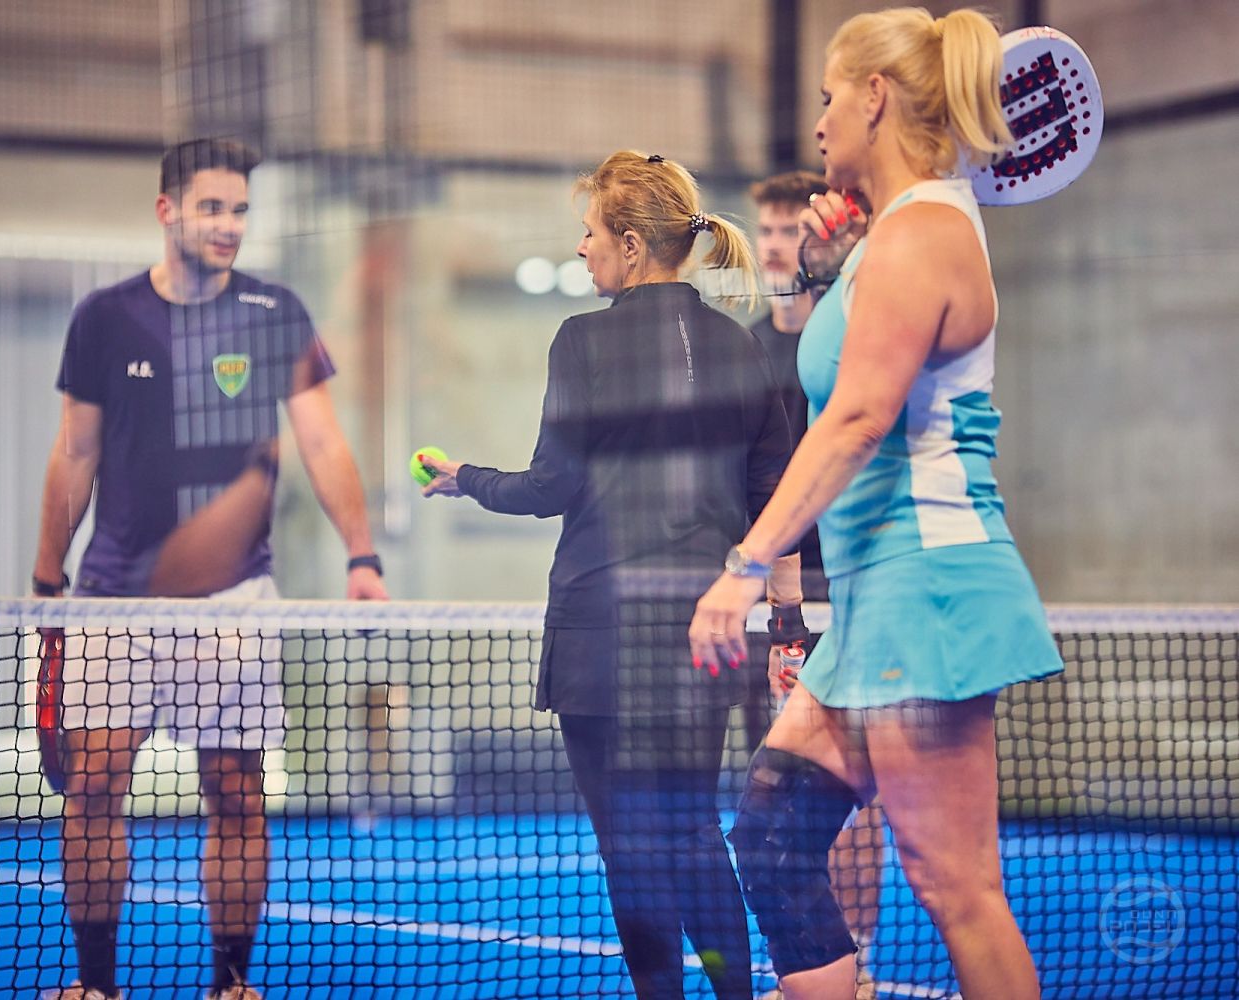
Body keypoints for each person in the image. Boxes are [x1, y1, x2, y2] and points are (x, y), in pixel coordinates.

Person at [690, 9, 1063, 1000]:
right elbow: (838, 380)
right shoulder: (884, 237)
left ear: (874, 97)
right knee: (773, 838)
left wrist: (746, 566)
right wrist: (827, 270)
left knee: (957, 888)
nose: (817, 122)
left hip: (927, 589)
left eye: (828, 97)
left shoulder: (924, 232)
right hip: (874, 603)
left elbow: (857, 420)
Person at [420, 150, 801, 999]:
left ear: (631, 246)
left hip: (599, 636)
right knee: (693, 837)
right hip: (704, 638)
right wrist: (789, 625)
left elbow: (549, 487)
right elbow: (777, 501)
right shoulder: (743, 347)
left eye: (591, 233)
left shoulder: (580, 340)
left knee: (631, 848)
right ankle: (732, 993)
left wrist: (464, 477)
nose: (582, 248)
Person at [31, 137, 388, 1000]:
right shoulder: (104, 317)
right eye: (212, 208)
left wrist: (362, 555)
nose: (230, 225)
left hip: (236, 604)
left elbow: (322, 441)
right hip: (113, 603)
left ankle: (231, 984)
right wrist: (46, 581)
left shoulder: (276, 312)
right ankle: (96, 986)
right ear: (167, 211)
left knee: (236, 791)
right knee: (93, 787)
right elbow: (75, 453)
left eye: (240, 210)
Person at [748, 170, 885, 1000]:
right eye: (765, 230)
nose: (776, 244)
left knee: (855, 802)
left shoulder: (849, 335)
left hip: (850, 595)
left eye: (787, 229)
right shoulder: (746, 348)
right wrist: (767, 600)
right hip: (774, 602)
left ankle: (855, 967)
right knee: (778, 800)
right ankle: (817, 972)